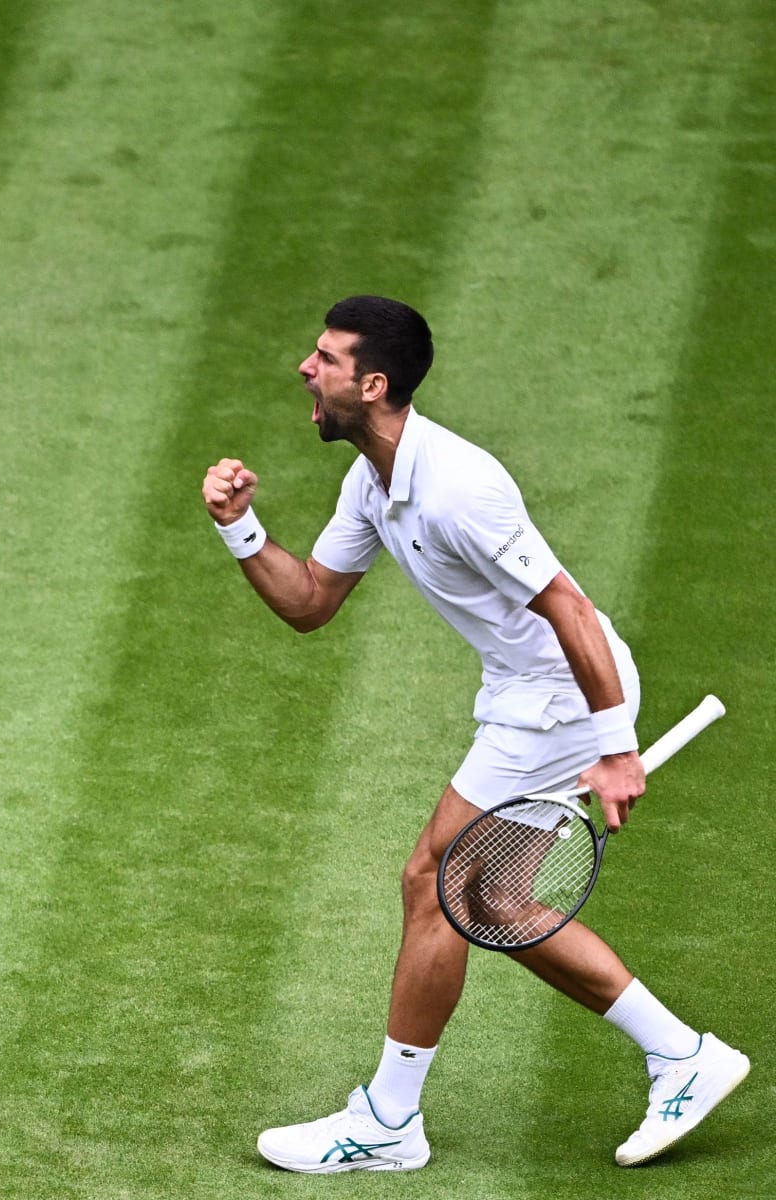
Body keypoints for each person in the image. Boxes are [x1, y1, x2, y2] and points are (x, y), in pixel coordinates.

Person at [201, 296, 749, 1172]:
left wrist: (613, 748)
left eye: (326, 359)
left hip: (560, 698)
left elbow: (568, 605)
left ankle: (386, 1123)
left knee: (433, 880)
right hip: (528, 691)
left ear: (373, 385)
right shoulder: (372, 479)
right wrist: (240, 528)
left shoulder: (460, 489)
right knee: (487, 901)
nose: (307, 369)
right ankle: (685, 1056)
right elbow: (309, 602)